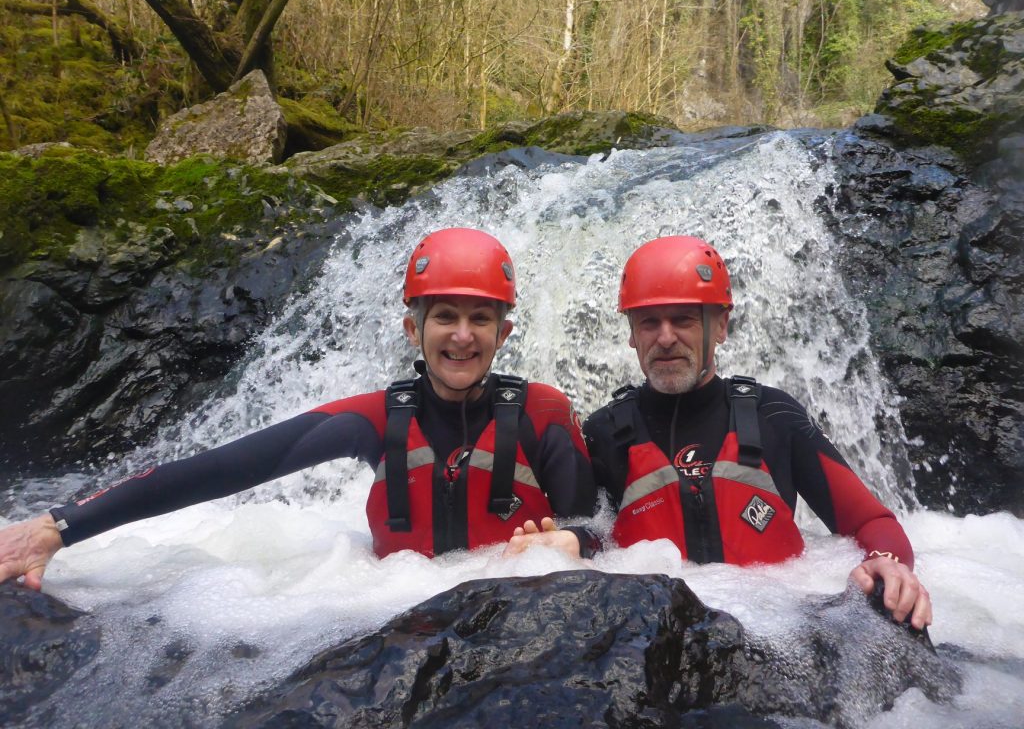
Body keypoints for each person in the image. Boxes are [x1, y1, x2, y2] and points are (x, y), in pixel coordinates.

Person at [0, 228, 597, 590]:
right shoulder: (375, 418)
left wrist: (574, 546)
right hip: (394, 618)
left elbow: (598, 532)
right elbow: (226, 468)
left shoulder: (543, 411)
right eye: (445, 316)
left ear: (504, 332)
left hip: (517, 623)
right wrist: (59, 526)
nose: (462, 335)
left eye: (480, 319)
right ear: (413, 329)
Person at [513, 235, 931, 629]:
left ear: (721, 326)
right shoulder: (604, 431)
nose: (665, 338)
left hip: (781, 627)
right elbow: (594, 533)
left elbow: (870, 519)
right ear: (631, 333)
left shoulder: (773, 414)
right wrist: (566, 544)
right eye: (649, 322)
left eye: (683, 320)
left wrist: (888, 562)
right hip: (656, 642)